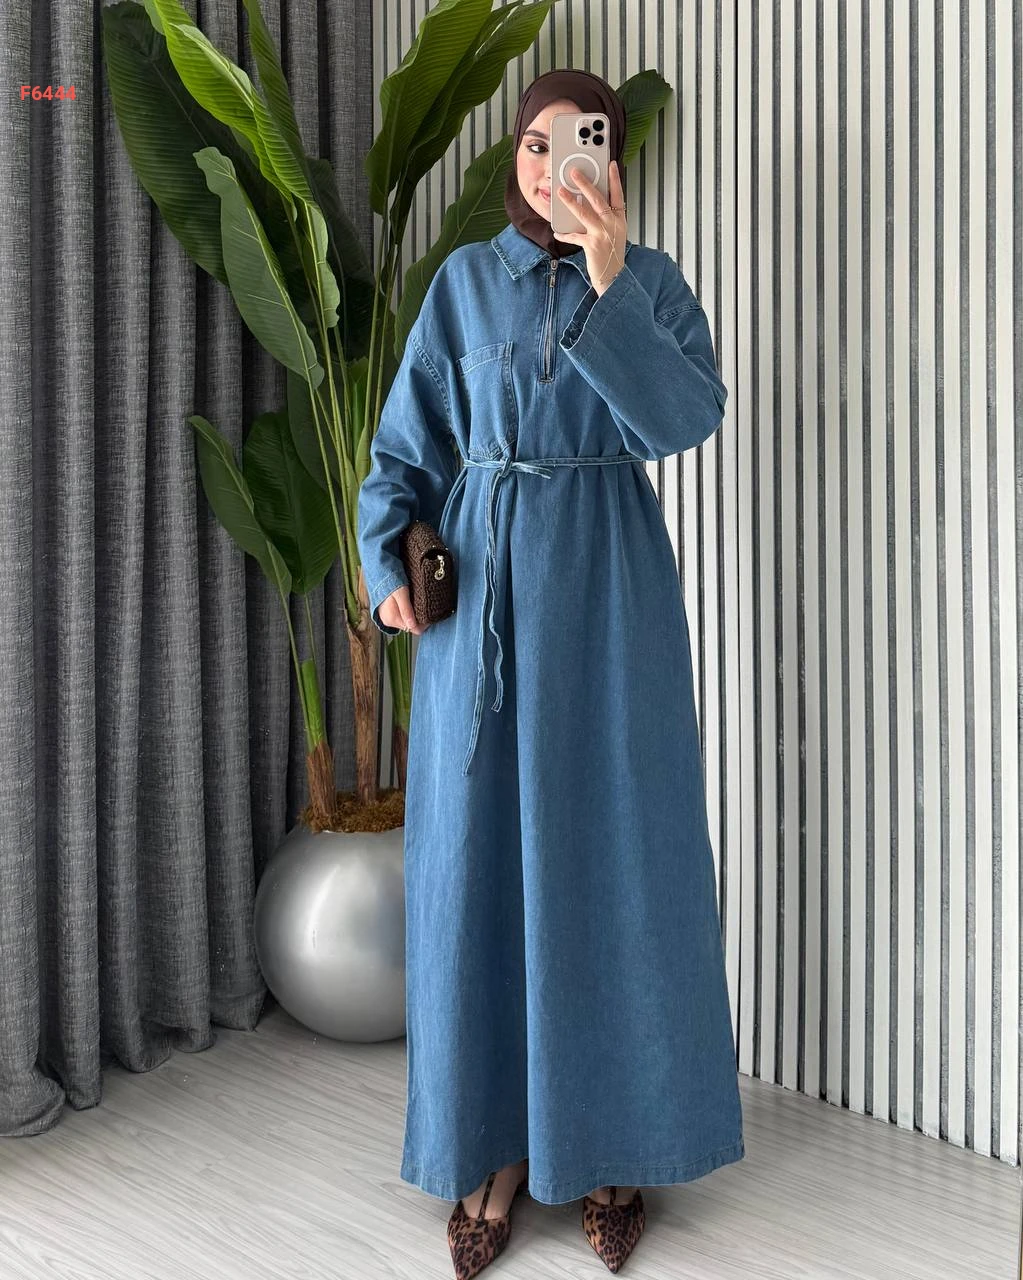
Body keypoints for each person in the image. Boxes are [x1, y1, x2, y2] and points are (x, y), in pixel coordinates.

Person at [357, 67, 745, 1279]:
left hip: (608, 599)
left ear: (610, 160)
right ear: (515, 155)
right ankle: (492, 1147)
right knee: (477, 864)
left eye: (577, 142)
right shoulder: (463, 284)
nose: (549, 163)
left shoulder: (654, 281)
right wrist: (384, 557)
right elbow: (403, 449)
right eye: (532, 143)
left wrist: (611, 279)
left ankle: (614, 1143)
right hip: (479, 606)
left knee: (612, 854)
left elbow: (684, 418)